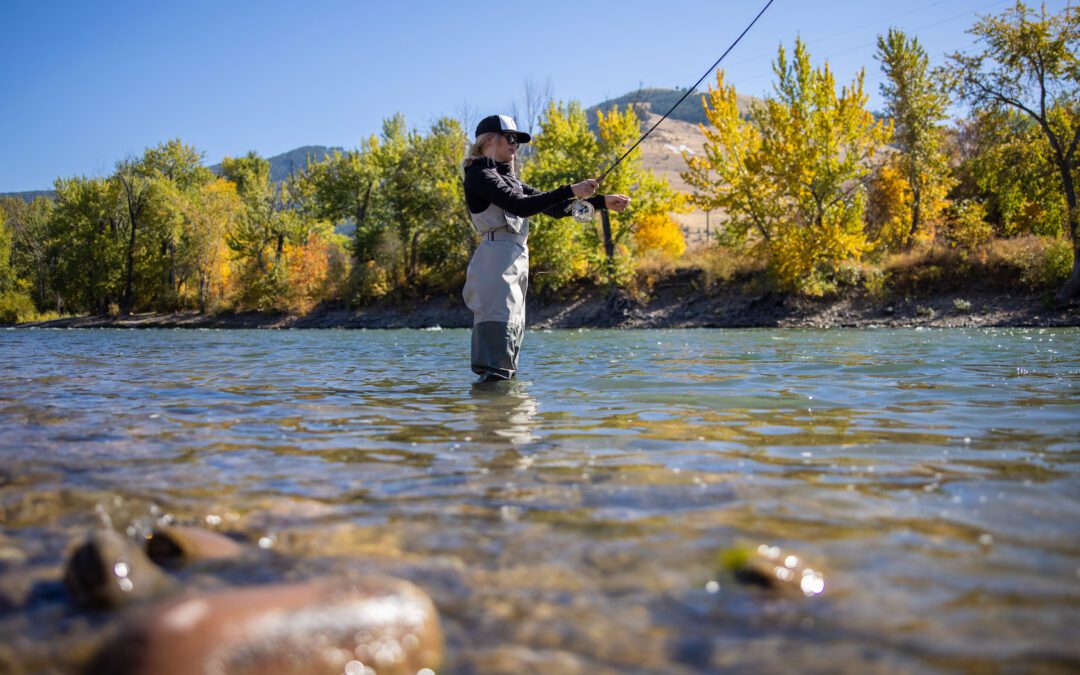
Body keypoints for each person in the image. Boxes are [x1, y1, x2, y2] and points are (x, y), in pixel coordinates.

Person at [462, 114, 631, 383]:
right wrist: (571, 189)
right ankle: (491, 412)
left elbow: (555, 209)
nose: (515, 145)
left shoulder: (511, 180)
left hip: (515, 260)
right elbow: (519, 205)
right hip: (495, 261)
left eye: (517, 140)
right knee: (496, 339)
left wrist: (601, 203)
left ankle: (504, 410)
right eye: (511, 138)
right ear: (488, 141)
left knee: (512, 335)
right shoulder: (479, 175)